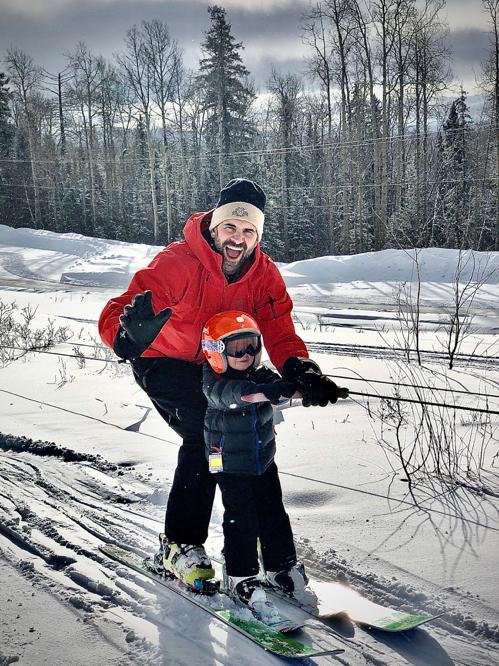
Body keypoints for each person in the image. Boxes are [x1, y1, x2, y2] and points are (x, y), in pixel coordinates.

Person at [98, 178, 341, 588]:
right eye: (231, 228)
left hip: (221, 367)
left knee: (247, 431)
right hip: (165, 361)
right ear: (215, 225)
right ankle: (179, 545)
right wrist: (125, 335)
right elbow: (122, 308)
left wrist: (301, 368)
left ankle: (261, 532)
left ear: (257, 236)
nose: (238, 239)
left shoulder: (264, 275)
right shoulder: (178, 263)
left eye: (249, 232)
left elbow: (280, 330)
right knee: (204, 433)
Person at [201, 310, 308, 609]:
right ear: (215, 352)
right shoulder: (214, 381)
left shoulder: (259, 375)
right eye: (236, 348)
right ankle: (240, 576)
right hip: (228, 464)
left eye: (251, 345)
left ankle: (281, 567)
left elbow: (277, 388)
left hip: (262, 460)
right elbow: (235, 396)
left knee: (273, 512)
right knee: (241, 517)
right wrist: (266, 391)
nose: (246, 354)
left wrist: (305, 389)